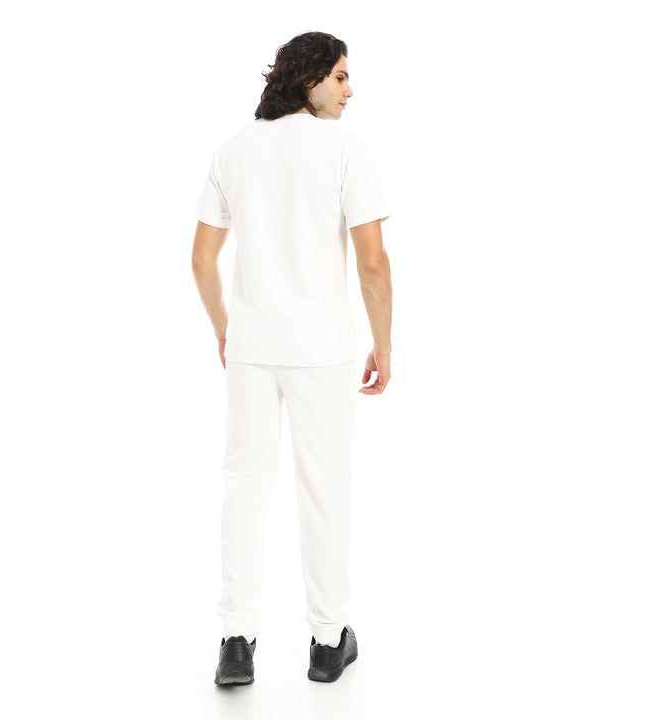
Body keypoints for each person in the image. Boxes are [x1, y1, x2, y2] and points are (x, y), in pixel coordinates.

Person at [192, 31, 393, 685]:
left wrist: (225, 329)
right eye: (340, 76)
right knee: (324, 490)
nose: (350, 90)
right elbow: (372, 262)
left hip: (252, 349)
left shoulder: (233, 150)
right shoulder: (346, 151)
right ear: (309, 79)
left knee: (244, 486)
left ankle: (236, 641)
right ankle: (328, 642)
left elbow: (202, 261)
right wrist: (384, 344)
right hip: (322, 350)